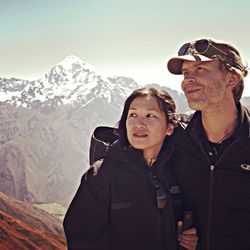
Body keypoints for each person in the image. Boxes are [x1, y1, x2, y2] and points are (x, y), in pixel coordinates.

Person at [63, 87, 197, 250]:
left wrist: (189, 239)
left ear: (169, 128)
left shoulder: (177, 171)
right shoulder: (102, 175)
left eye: (150, 116)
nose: (139, 124)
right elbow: (82, 239)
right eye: (132, 115)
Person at [167, 38, 250, 250]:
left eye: (200, 68)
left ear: (231, 78)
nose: (188, 80)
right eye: (185, 73)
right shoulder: (174, 135)